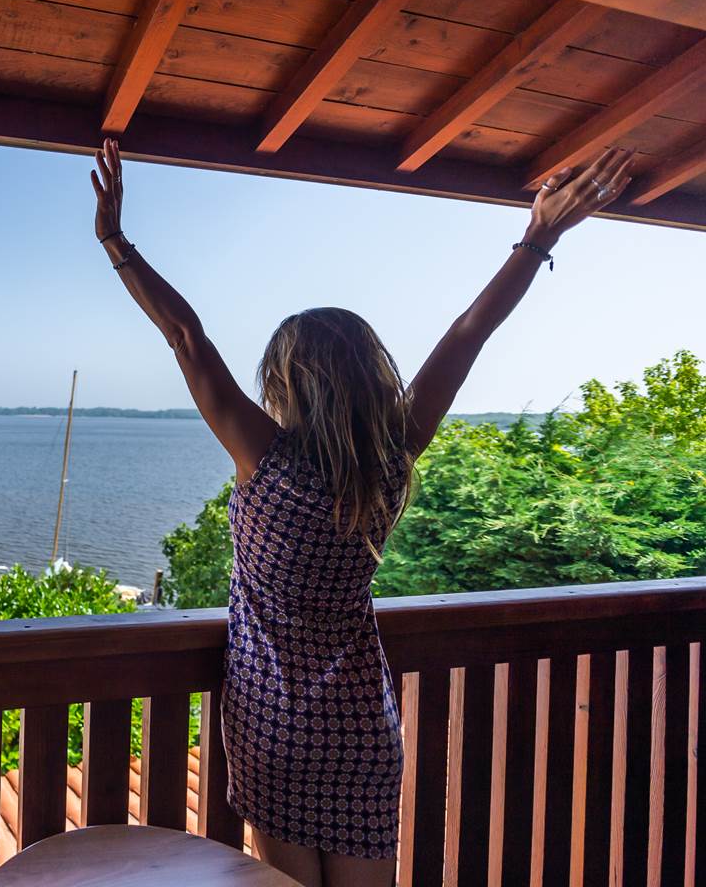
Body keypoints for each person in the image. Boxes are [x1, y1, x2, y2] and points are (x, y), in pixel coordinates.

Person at [88, 140, 634, 887]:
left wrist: (117, 242)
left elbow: (187, 339)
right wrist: (536, 239)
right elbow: (467, 335)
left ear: (288, 383)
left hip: (275, 727)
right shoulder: (388, 463)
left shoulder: (266, 459)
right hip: (360, 730)